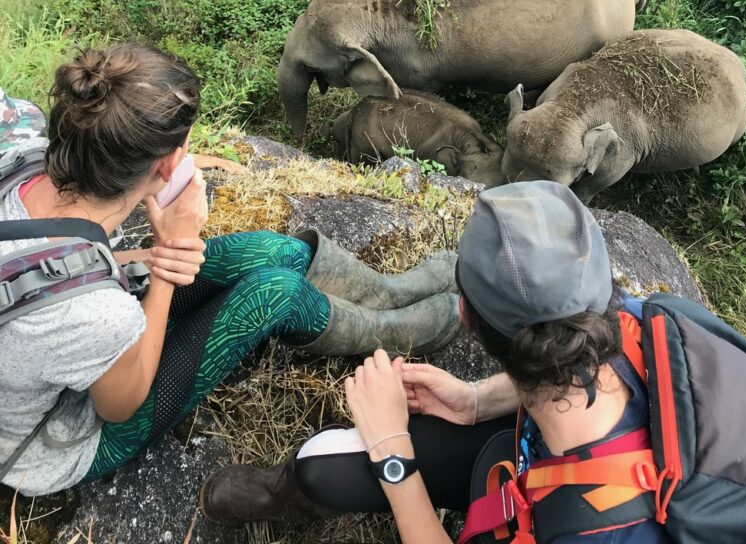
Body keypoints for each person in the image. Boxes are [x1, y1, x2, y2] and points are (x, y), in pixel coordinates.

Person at [0, 44, 460, 497]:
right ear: (166, 164)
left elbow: (46, 269)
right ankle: (394, 333)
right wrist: (169, 257)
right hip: (62, 437)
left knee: (271, 250)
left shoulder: (20, 155)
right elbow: (122, 404)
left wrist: (148, 238)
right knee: (274, 292)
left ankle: (390, 293)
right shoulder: (95, 313)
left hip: (66, 327)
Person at [200, 182, 670, 542]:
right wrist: (476, 400)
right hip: (545, 465)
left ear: (463, 314)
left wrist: (392, 455)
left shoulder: (596, 533)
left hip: (558, 508)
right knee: (327, 464)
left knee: (329, 463)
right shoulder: (636, 321)